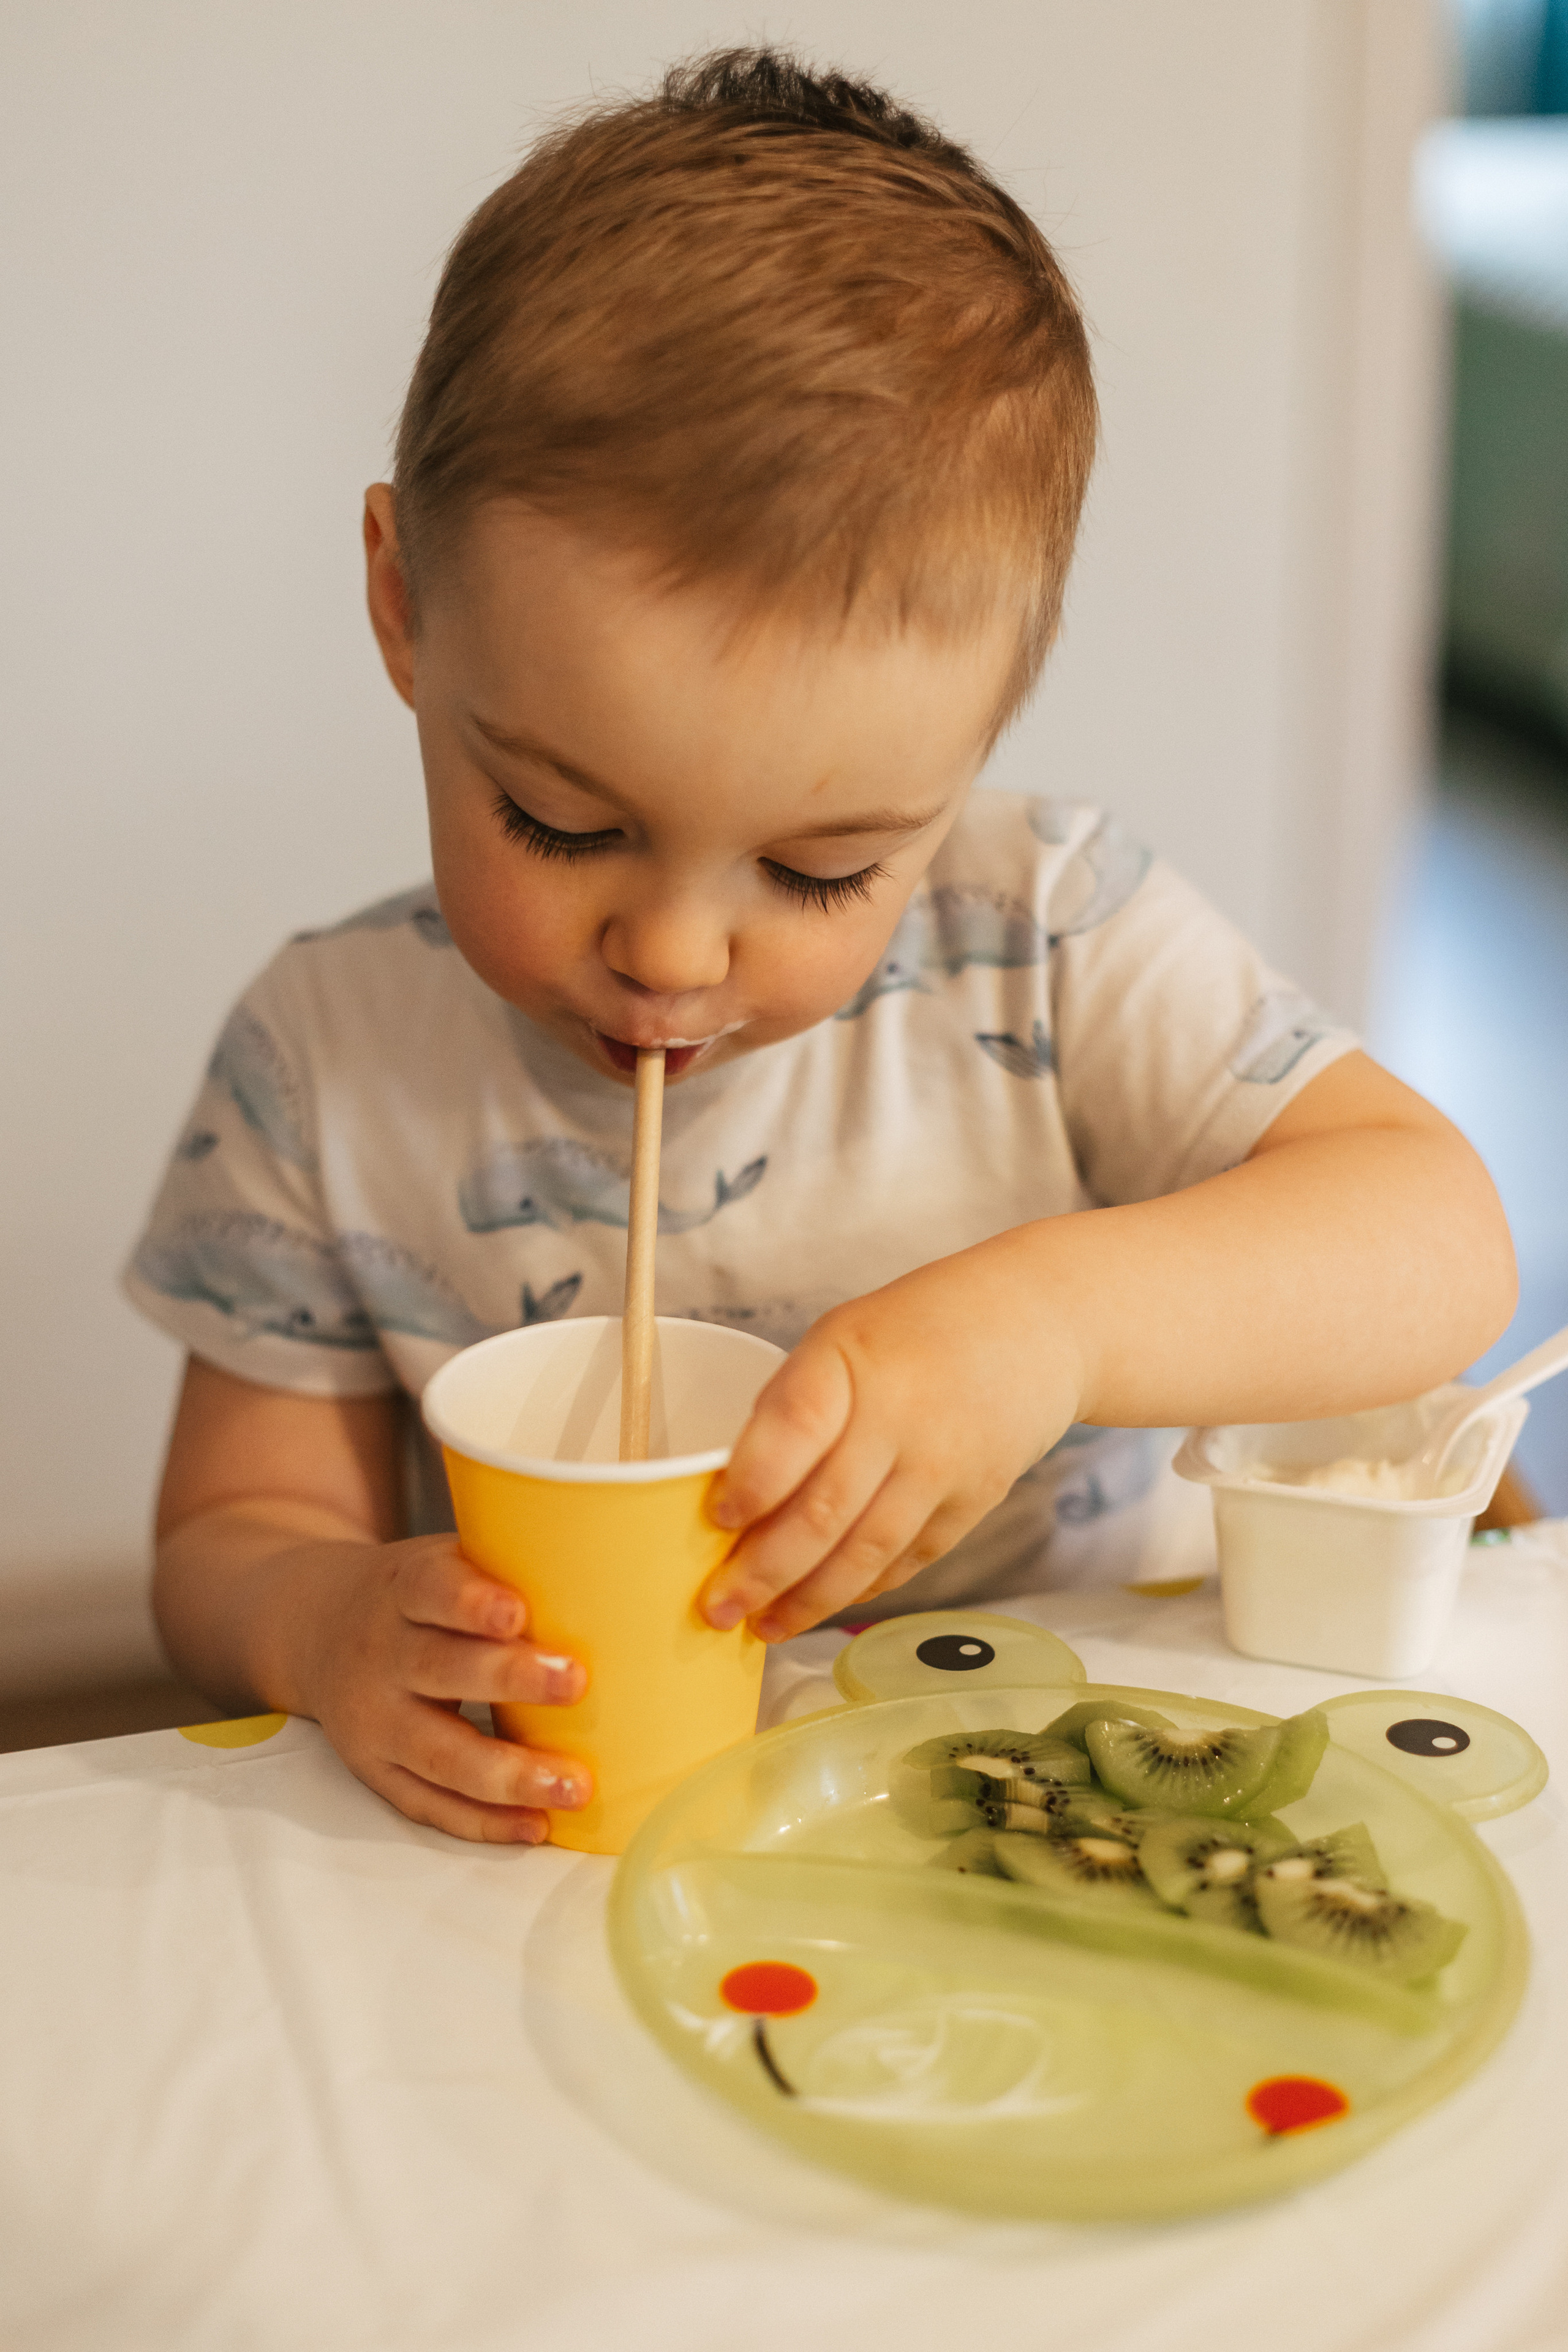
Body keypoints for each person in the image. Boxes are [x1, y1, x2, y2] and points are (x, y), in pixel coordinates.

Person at [131, 50, 1515, 1844]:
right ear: (406, 602)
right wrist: (321, 1626)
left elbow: (1442, 1242)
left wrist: (1049, 1328)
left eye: (823, 866)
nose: (676, 951)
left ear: (969, 760)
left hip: (1100, 1799)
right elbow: (228, 1538)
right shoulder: (323, 1059)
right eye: (561, 822)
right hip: (612, 1832)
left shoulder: (1046, 937)